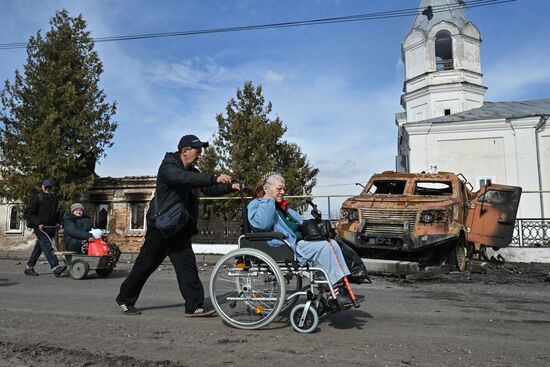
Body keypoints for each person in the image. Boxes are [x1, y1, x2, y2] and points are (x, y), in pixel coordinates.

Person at [116, 134, 241, 316]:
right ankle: (125, 299)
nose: (200, 155)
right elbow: (183, 179)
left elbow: (207, 188)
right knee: (146, 265)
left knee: (187, 266)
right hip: (160, 227)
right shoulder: (168, 167)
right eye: (197, 152)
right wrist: (214, 177)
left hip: (179, 227)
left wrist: (231, 186)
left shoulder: (193, 172)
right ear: (184, 151)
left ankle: (194, 306)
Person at [247, 172, 363, 307]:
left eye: (283, 189)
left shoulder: (282, 207)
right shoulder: (257, 204)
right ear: (266, 189)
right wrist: (267, 200)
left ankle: (340, 289)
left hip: (296, 243)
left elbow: (300, 222)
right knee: (324, 248)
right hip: (283, 245)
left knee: (333, 244)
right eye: (279, 189)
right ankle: (334, 294)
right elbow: (261, 224)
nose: (283, 192)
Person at [23, 178, 67, 277]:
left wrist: (58, 222)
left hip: (50, 228)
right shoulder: (38, 198)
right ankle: (55, 268)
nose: (47, 189)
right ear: (42, 187)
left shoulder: (54, 199)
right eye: (46, 187)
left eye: (49, 187)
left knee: (39, 248)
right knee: (48, 247)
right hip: (40, 228)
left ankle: (29, 267)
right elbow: (28, 213)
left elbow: (56, 213)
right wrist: (38, 223)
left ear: (52, 188)